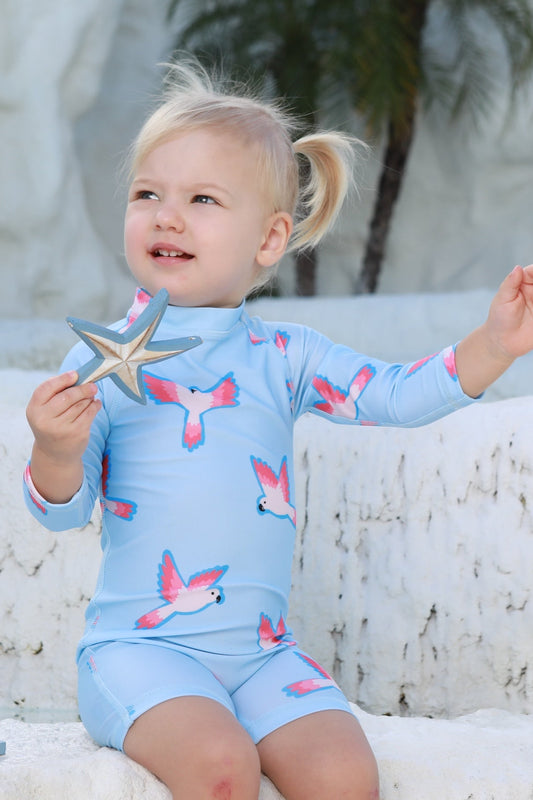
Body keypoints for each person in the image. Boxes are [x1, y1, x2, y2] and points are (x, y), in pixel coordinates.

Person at [24, 60, 533, 800]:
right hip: (140, 651)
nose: (167, 215)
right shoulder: (97, 363)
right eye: (147, 194)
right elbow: (62, 509)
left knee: (343, 776)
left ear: (269, 240)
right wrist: (54, 448)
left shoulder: (284, 356)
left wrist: (492, 345)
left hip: (261, 657)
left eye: (201, 199)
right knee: (221, 769)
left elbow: (392, 396)